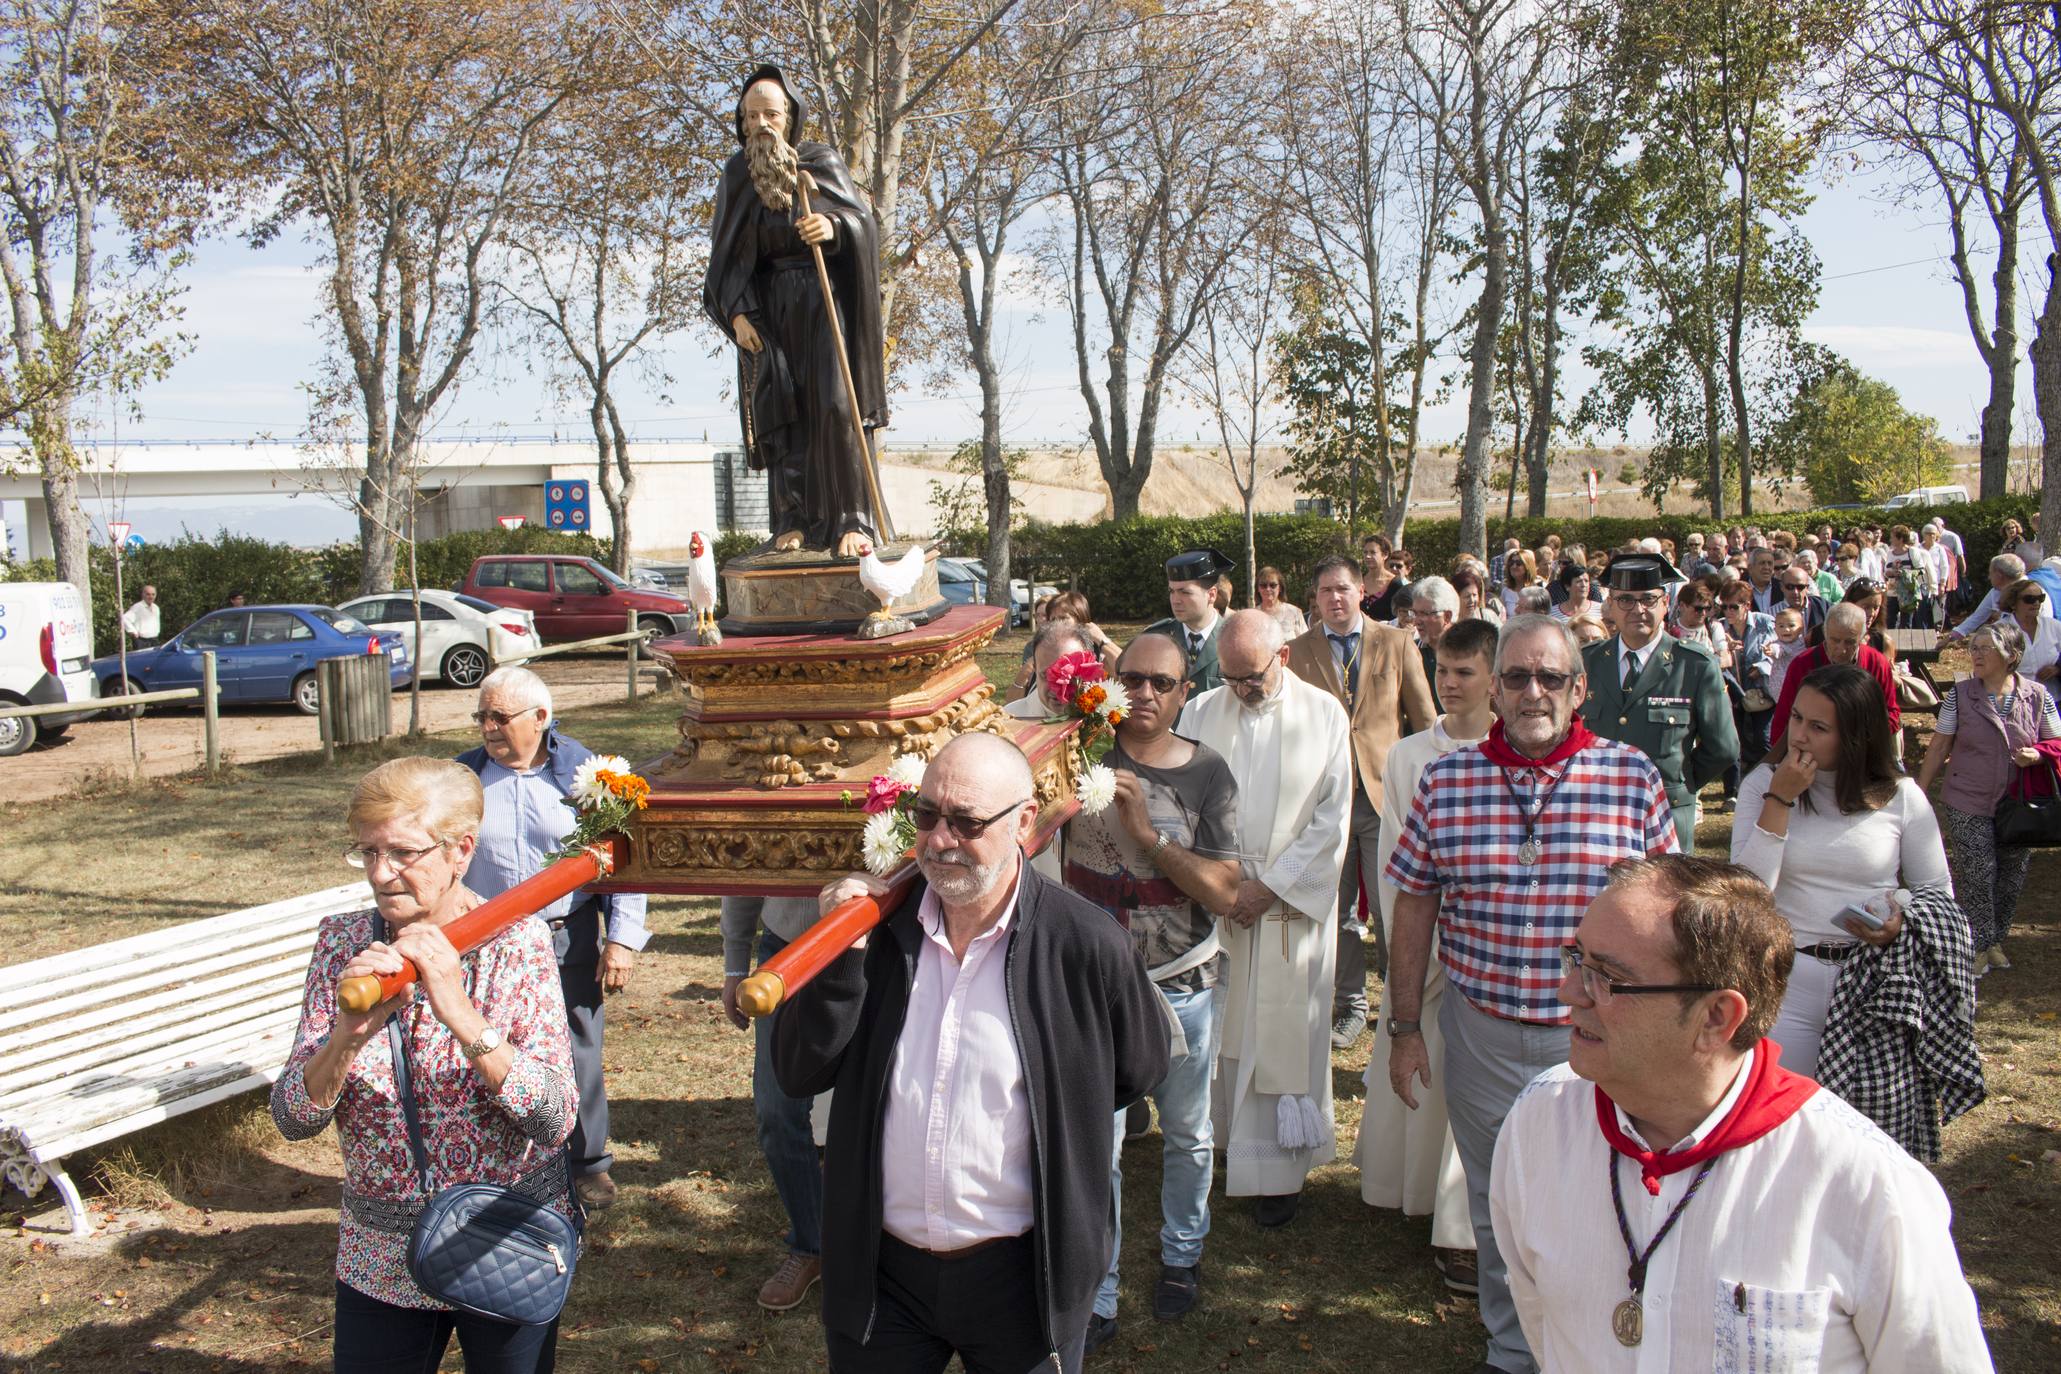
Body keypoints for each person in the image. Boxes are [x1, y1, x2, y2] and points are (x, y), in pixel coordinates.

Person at [1490, 855, 1994, 1374]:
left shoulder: (1865, 1185)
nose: (1567, 993)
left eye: (1608, 978)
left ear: (1716, 1016)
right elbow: (1545, 1325)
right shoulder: (1540, 1124)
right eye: (1577, 960)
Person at [774, 733, 1168, 1372]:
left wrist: (1062, 1104)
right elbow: (799, 1072)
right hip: (883, 1279)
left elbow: (1138, 1069)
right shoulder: (875, 935)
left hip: (1023, 1280)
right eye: (926, 815)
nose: (938, 840)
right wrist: (838, 961)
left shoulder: (1086, 945)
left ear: (1024, 821)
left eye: (966, 822)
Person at [1385, 615, 1679, 1374]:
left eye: (1550, 677)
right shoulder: (1447, 780)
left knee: (1601, 1198)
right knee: (1497, 1204)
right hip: (1480, 1032)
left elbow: (1669, 915)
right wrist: (1404, 1025)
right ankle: (1512, 1349)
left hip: (1595, 1040)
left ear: (1578, 688)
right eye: (1516, 677)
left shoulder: (1630, 776)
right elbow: (1414, 901)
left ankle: (1596, 1348)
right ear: (1493, 688)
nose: (1532, 692)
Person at [272, 757, 576, 1372]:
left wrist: (461, 1013)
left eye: (403, 853)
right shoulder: (343, 944)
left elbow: (555, 1116)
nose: (382, 874)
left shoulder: (516, 943)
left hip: (503, 1237)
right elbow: (291, 1118)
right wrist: (345, 1041)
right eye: (367, 852)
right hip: (379, 1254)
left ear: (461, 850)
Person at [1063, 631, 1242, 1345]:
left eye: (1160, 683)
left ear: (1183, 691)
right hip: (1092, 988)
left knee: (1189, 1133)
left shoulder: (1207, 774)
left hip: (1180, 982)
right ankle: (1097, 1284)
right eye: (1130, 678)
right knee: (1095, 1144)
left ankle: (1180, 1254)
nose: (1142, 694)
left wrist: (1149, 836)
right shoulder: (1076, 756)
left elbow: (1225, 892)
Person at [1180, 611, 1352, 1226]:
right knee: (1224, 1024)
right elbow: (1181, 799)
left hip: (1287, 908)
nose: (1240, 690)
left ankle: (1279, 1173)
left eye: (1250, 677)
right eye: (1230, 678)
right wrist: (1214, 882)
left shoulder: (1324, 714)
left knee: (1284, 1028)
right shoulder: (1201, 711)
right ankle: (1224, 1144)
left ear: (1282, 657)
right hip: (1219, 898)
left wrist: (1270, 888)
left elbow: (1332, 818)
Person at [457, 667, 648, 1210]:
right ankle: (495, 1163)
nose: (489, 728)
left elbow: (626, 856)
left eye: (500, 717)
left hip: (568, 935)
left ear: (541, 718)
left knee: (577, 1047)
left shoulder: (590, 775)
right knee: (484, 1047)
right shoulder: (462, 780)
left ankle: (587, 1164)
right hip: (485, 942)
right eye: (482, 717)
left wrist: (622, 939)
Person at [1360, 618, 1499, 1296]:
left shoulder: (1510, 750)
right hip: (1424, 935)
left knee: (1472, 1082)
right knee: (1425, 1065)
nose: (1448, 682)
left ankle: (1462, 1225)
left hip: (1486, 939)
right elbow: (1395, 861)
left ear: (1493, 678)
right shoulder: (1409, 755)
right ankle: (1414, 1187)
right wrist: (1406, 944)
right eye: (1441, 670)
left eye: (1463, 672)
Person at [1732, 665, 1951, 1077]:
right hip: (1786, 981)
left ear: (1856, 734)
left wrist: (1900, 925)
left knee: (1866, 1125)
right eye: (1796, 717)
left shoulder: (1902, 796)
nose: (1799, 735)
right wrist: (1779, 798)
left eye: (1818, 727)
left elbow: (1937, 894)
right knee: (1786, 1119)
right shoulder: (1762, 783)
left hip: (1875, 982)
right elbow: (1749, 894)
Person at [704, 66, 887, 556]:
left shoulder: (819, 160)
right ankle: (794, 518)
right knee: (785, 413)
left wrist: (832, 227)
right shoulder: (738, 176)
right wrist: (738, 314)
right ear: (742, 123)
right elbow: (726, 259)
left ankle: (853, 520)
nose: (762, 123)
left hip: (827, 306)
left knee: (834, 404)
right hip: (770, 314)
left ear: (789, 118)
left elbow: (862, 222)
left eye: (771, 113)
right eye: (752, 116)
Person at [1283, 557, 1436, 1044]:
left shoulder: (1397, 642)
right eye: (1325, 590)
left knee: (1394, 907)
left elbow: (1425, 720)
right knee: (1338, 910)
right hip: (1325, 799)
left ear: (1361, 591)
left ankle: (1399, 1002)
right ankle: (1349, 1004)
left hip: (1383, 796)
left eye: (1344, 589)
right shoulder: (1297, 652)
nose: (1335, 598)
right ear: (1315, 597)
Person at [1917, 620, 2061, 974]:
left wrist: (2038, 755)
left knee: (2011, 874)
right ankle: (1979, 945)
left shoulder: (2037, 695)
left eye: (1985, 648)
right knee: (1979, 871)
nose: (1975, 654)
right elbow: (1939, 746)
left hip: (2020, 803)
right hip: (1967, 797)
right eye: (1974, 648)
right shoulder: (1960, 695)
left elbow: (2057, 742)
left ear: (2010, 656)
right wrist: (1918, 791)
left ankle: (1994, 939)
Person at [1579, 552, 1738, 853]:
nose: (1638, 609)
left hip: (1666, 818)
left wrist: (1681, 783)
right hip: (1596, 817)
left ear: (1665, 604)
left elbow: (1724, 748)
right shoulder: (1589, 662)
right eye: (1626, 599)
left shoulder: (1694, 665)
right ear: (1610, 605)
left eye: (1648, 599)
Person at [721, 895, 829, 1310]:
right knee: (777, 1110)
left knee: (873, 1106)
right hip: (783, 952)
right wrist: (735, 965)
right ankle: (811, 1244)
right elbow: (746, 861)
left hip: (872, 943)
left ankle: (874, 1246)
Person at [1767, 603, 1900, 753]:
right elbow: (1783, 718)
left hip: (1862, 750)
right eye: (1835, 640)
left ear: (1863, 637)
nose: (1841, 649)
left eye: (1850, 642)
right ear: (1825, 633)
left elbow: (1890, 713)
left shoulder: (1876, 663)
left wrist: (1866, 737)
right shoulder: (1802, 665)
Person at [1144, 548, 1234, 693]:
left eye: (1185, 592)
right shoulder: (1156, 637)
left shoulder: (1234, 639)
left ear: (1211, 595)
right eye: (1171, 591)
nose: (1175, 600)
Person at [1945, 553, 2054, 642]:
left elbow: (2038, 629)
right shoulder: (1996, 591)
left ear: (1999, 575)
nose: (1988, 577)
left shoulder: (2033, 594)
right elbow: (1977, 617)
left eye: (1990, 573)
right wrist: (1951, 637)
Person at [1007, 620, 1096, 716]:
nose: (1057, 689)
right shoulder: (1012, 719)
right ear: (1035, 671)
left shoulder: (1109, 716)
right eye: (1046, 675)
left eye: (1069, 676)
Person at [2003, 576, 2061, 701]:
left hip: (2052, 700)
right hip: (2013, 700)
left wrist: (2058, 669)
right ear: (2013, 602)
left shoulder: (2054, 626)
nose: (2036, 603)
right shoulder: (1999, 630)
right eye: (2029, 599)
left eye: (2040, 598)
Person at [1409, 574, 1458, 710]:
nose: (1417, 621)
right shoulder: (1411, 653)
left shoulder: (1471, 652)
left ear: (1447, 616)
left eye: (1424, 613)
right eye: (1415, 613)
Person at [1254, 565, 1307, 637]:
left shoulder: (1294, 613)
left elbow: (1305, 641)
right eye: (1263, 585)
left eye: (1273, 585)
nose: (1268, 589)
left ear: (1280, 588)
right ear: (1258, 589)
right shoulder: (1252, 615)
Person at [1499, 549, 1537, 619]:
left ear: (1527, 566)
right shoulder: (1506, 591)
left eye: (1518, 563)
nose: (1514, 566)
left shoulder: (1536, 591)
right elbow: (1502, 618)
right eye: (1511, 563)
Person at [120, 583, 160, 648]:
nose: (151, 597)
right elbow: (124, 618)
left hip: (154, 641)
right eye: (148, 594)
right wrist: (133, 631)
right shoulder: (137, 607)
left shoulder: (156, 608)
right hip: (141, 642)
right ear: (143, 595)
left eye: (153, 594)